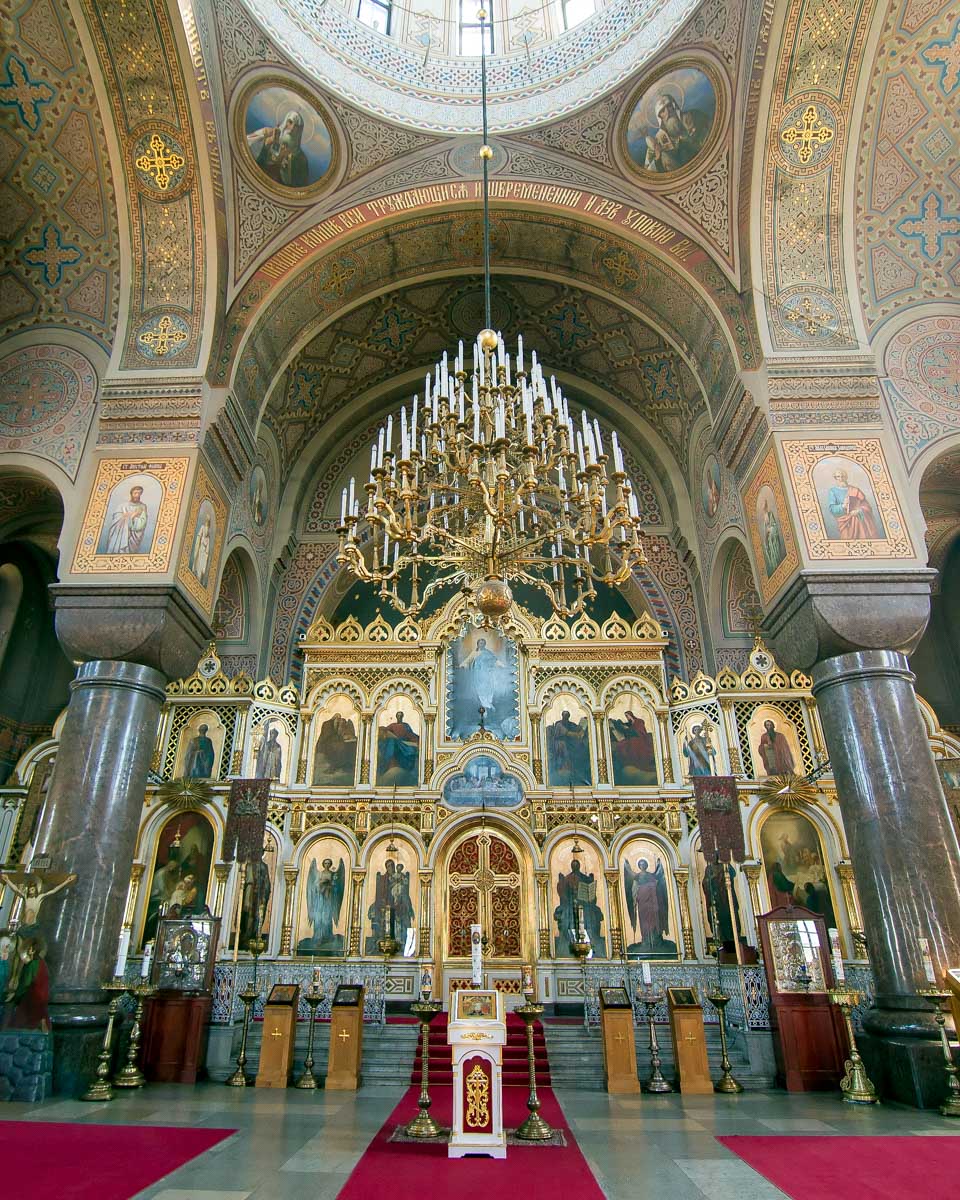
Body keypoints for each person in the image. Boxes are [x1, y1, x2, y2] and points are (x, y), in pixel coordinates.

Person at [644, 91, 711, 173]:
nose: (668, 112)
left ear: (674, 106)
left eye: (669, 106)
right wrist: (658, 157)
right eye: (662, 110)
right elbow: (647, 170)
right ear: (659, 117)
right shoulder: (657, 140)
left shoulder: (693, 116)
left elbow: (710, 128)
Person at [555, 858, 605, 954]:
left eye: (576, 865)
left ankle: (592, 940)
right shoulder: (567, 878)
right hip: (570, 905)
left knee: (592, 917)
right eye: (573, 865)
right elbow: (563, 894)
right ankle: (569, 940)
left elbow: (591, 895)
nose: (575, 867)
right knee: (566, 919)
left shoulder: (584, 878)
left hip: (584, 904)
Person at [253, 110, 309, 188]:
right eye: (290, 122)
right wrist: (269, 141)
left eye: (296, 126)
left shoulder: (300, 157)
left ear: (300, 130)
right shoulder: (269, 133)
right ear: (286, 121)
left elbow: (298, 184)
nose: (292, 128)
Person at [624, 858, 670, 951]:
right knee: (644, 922)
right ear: (639, 866)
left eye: (644, 864)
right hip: (643, 903)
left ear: (646, 865)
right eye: (641, 864)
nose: (642, 866)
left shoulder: (651, 876)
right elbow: (634, 890)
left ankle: (656, 940)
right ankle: (646, 941)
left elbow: (656, 884)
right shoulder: (637, 877)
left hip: (652, 903)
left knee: (654, 920)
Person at [826, 469, 882, 540]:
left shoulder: (855, 490)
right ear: (835, 478)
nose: (841, 478)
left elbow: (866, 506)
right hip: (845, 521)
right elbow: (832, 509)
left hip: (858, 520)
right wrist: (843, 506)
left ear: (846, 477)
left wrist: (859, 511)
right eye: (838, 477)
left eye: (843, 476)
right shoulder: (833, 491)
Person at [306, 856, 345, 947]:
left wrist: (331, 885)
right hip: (320, 899)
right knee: (318, 917)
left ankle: (327, 936)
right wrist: (321, 883)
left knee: (327, 917)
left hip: (329, 898)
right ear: (323, 864)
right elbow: (314, 886)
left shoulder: (333, 874)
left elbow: (336, 887)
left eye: (328, 863)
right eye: (325, 863)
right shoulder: (319, 874)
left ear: (330, 865)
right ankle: (318, 936)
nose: (327, 865)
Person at [610, 710, 656, 782]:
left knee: (632, 744)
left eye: (627, 716)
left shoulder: (639, 721)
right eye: (626, 716)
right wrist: (617, 723)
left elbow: (640, 731)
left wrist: (629, 731)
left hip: (641, 738)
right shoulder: (630, 723)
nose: (627, 718)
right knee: (622, 744)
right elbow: (625, 726)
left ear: (631, 715)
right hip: (633, 738)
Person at [312, 711, 357, 785]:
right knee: (339, 748)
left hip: (339, 742)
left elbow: (345, 733)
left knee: (349, 747)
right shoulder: (327, 725)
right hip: (329, 743)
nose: (339, 721)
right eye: (338, 719)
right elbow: (328, 737)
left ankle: (346, 765)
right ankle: (336, 765)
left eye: (340, 720)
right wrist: (339, 738)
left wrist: (346, 736)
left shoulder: (343, 726)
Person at [548, 710, 591, 786]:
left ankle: (570, 769)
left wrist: (583, 724)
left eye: (567, 716)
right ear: (562, 716)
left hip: (566, 745)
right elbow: (569, 733)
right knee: (564, 756)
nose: (566, 717)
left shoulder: (570, 724)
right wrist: (578, 734)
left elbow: (577, 730)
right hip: (560, 745)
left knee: (575, 752)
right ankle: (563, 769)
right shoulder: (559, 724)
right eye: (565, 715)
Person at [377, 711, 420, 783]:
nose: (399, 717)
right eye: (398, 716)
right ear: (396, 717)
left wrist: (417, 740)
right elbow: (385, 730)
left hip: (403, 742)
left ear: (402, 717)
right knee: (391, 742)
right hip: (395, 741)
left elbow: (410, 734)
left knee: (402, 747)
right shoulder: (392, 725)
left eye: (400, 716)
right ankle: (390, 764)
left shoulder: (406, 725)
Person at [106, 485, 149, 554]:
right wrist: (132, 515)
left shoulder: (142, 506)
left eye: (139, 493)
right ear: (131, 494)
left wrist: (130, 516)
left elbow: (143, 521)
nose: (137, 495)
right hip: (121, 533)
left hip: (134, 535)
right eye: (135, 493)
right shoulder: (122, 506)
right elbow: (116, 520)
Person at [761, 498, 786, 576]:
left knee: (775, 551)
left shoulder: (770, 514)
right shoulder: (764, 517)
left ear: (765, 506)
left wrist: (770, 530)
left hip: (773, 537)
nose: (762, 506)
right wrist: (766, 533)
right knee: (771, 552)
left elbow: (774, 525)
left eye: (763, 505)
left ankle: (778, 565)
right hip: (769, 539)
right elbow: (765, 529)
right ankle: (774, 566)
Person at [189, 513, 212, 586]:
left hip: (204, 549)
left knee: (202, 562)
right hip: (201, 547)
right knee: (198, 560)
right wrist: (200, 540)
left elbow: (208, 541)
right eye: (207, 520)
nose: (207, 522)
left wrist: (206, 547)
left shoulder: (209, 532)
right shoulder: (202, 527)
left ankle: (199, 577)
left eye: (208, 521)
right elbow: (199, 535)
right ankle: (196, 573)